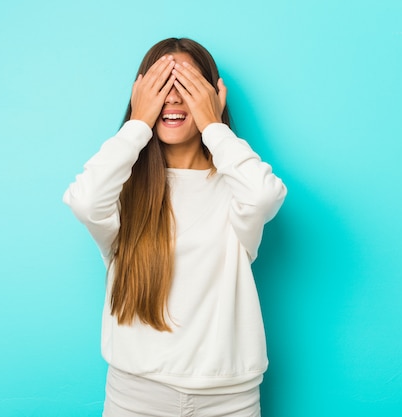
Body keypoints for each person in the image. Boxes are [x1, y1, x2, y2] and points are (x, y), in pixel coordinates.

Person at [63, 37, 287, 417]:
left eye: (186, 85)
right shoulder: (123, 189)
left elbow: (265, 196)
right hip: (135, 396)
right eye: (161, 85)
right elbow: (84, 201)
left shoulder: (235, 187)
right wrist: (137, 124)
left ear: (213, 95)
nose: (173, 97)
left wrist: (214, 126)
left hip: (229, 400)